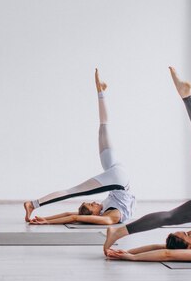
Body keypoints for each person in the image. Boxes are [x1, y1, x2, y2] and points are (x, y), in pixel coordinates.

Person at [104, 67, 191, 263]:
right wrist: (131, 259)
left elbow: (162, 248)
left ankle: (187, 96)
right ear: (190, 249)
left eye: (187, 233)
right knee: (169, 217)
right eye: (188, 235)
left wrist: (130, 254)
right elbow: (168, 254)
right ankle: (118, 231)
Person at [24, 69, 135, 226]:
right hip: (118, 180)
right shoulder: (111, 217)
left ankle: (101, 92)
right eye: (92, 205)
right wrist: (47, 223)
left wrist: (46, 220)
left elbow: (72, 214)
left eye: (90, 204)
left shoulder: (102, 210)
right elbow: (75, 218)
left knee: (104, 126)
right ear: (95, 215)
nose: (94, 202)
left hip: (117, 173)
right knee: (72, 191)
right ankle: (33, 204)